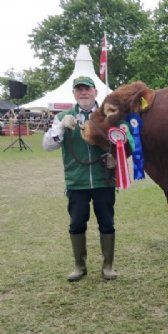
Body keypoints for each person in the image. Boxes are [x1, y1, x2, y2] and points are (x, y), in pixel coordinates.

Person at [43, 76, 118, 282]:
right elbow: (48, 145)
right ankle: (79, 265)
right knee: (77, 224)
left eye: (87, 89)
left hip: (103, 179)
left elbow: (120, 142)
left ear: (95, 92)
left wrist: (116, 160)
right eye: (79, 90)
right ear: (74, 93)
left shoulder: (107, 115)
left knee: (107, 223)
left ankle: (108, 266)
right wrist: (60, 128)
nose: (83, 93)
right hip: (76, 181)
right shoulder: (63, 116)